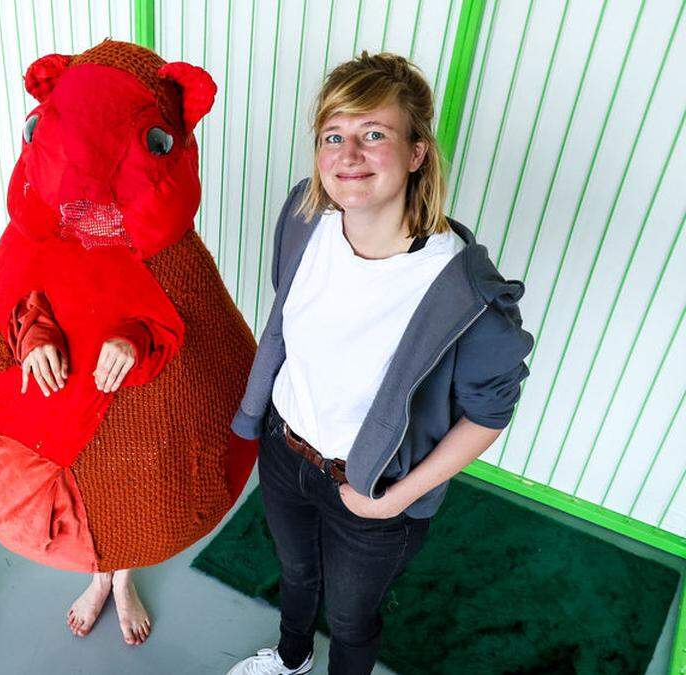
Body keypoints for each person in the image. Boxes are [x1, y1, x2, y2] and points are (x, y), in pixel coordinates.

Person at [225, 51, 533, 675]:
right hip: (286, 452)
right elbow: (290, 323)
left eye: (374, 135)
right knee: (295, 574)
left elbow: (489, 413)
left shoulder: (463, 289)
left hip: (373, 489)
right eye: (333, 137)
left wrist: (394, 501)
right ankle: (290, 661)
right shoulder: (304, 218)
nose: (349, 155)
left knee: (350, 618)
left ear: (417, 153)